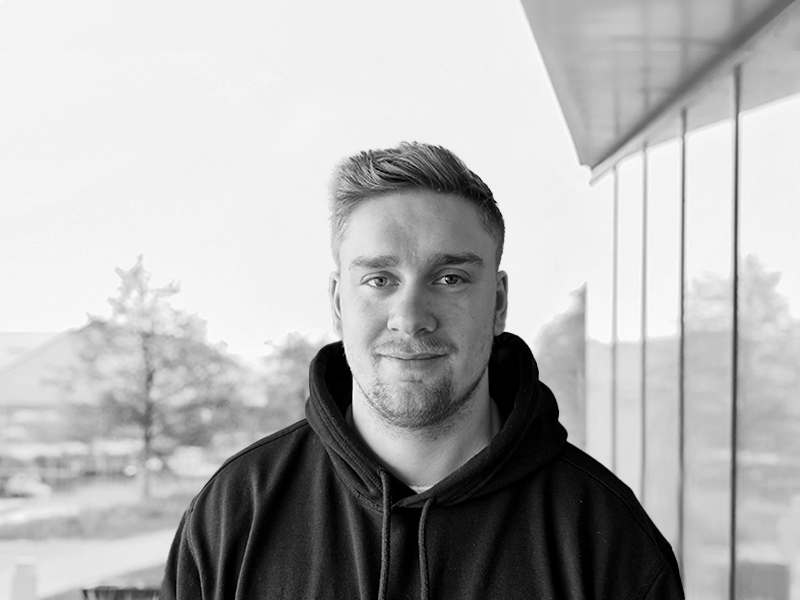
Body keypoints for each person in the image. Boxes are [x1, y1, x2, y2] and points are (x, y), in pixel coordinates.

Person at [161, 142, 684, 599]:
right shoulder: (235, 513)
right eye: (379, 280)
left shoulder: (607, 539)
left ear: (498, 303)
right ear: (339, 303)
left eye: (450, 278)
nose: (410, 318)